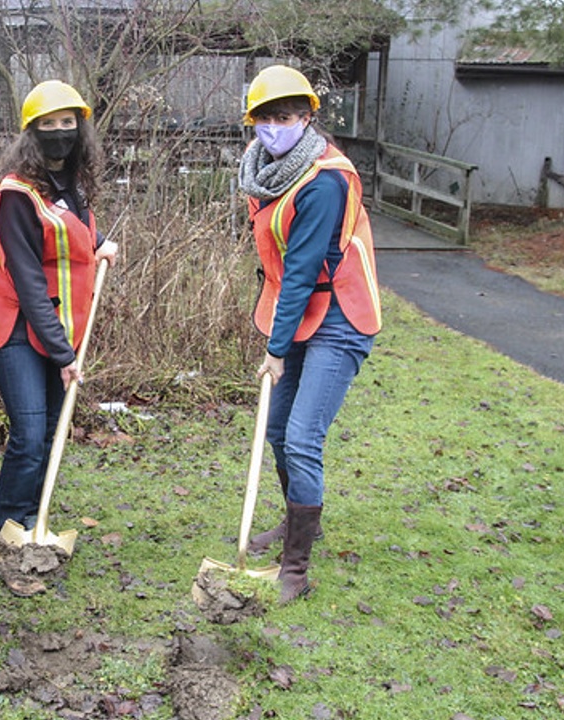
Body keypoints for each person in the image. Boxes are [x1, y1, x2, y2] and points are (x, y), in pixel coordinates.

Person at [236, 65, 382, 603]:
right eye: (266, 117)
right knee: (277, 430)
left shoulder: (324, 181)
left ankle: (295, 569)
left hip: (339, 315)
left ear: (307, 118)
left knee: (301, 438)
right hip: (298, 311)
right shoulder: (264, 170)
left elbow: (300, 270)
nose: (276, 126)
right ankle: (301, 522)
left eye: (287, 116)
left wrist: (276, 350)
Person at [0, 80, 119, 551]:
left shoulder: (70, 184)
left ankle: (34, 518)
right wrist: (64, 354)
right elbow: (29, 280)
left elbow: (67, 234)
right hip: (14, 326)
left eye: (67, 122)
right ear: (31, 132)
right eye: (48, 124)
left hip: (54, 326)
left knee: (52, 429)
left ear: (80, 127)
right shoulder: (15, 194)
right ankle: (7, 531)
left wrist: (98, 245)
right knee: (30, 433)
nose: (60, 132)